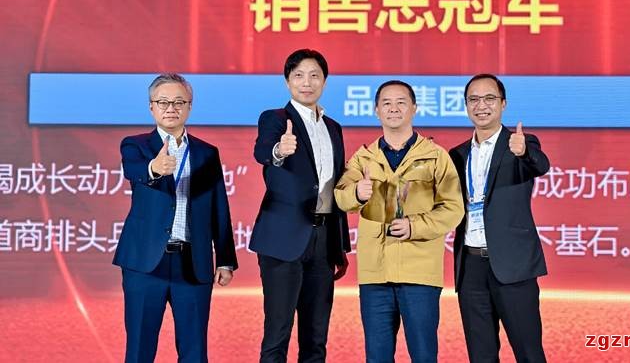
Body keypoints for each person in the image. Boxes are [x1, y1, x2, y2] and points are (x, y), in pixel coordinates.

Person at [335, 80, 464, 363]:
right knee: (377, 357)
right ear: (376, 110)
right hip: (375, 275)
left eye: (401, 102)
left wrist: (414, 226)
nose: (394, 109)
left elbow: (453, 208)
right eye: (387, 103)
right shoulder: (363, 158)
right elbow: (341, 197)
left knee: (424, 356)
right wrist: (357, 193)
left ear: (414, 108)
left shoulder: (435, 156)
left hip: (420, 274)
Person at [113, 73, 237, 363]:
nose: (171, 108)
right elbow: (133, 170)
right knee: (139, 350)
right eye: (163, 102)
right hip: (145, 264)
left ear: (189, 107)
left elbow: (219, 206)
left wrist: (225, 259)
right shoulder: (135, 145)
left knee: (195, 352)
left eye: (179, 102)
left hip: (192, 264)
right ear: (151, 107)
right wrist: (154, 168)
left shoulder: (207, 153)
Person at [249, 49, 351, 363]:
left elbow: (336, 184)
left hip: (323, 240)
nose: (307, 83)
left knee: (316, 338)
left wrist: (339, 246)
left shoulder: (333, 128)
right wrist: (279, 150)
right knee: (277, 334)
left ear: (324, 81)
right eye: (299, 76)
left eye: (314, 76)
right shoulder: (275, 119)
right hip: (283, 240)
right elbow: (263, 151)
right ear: (287, 81)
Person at [448, 74, 550, 363]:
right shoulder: (458, 154)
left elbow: (540, 164)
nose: (481, 106)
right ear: (466, 105)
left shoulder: (520, 143)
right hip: (470, 267)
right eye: (474, 99)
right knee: (481, 355)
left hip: (513, 266)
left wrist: (524, 151)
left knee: (529, 353)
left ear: (503, 104)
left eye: (489, 98)